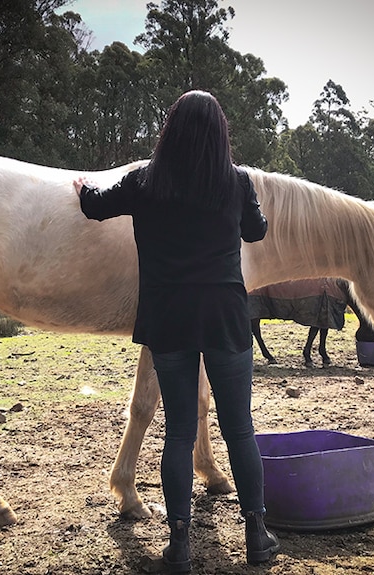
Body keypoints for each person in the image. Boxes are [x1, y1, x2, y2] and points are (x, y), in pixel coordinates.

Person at [74, 90, 279, 571]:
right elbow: (257, 231)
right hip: (226, 317)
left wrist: (82, 188)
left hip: (168, 320)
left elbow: (94, 208)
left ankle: (180, 547)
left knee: (180, 433)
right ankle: (257, 535)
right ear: (220, 134)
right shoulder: (236, 182)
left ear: (170, 130)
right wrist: (253, 204)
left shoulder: (145, 181)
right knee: (240, 430)